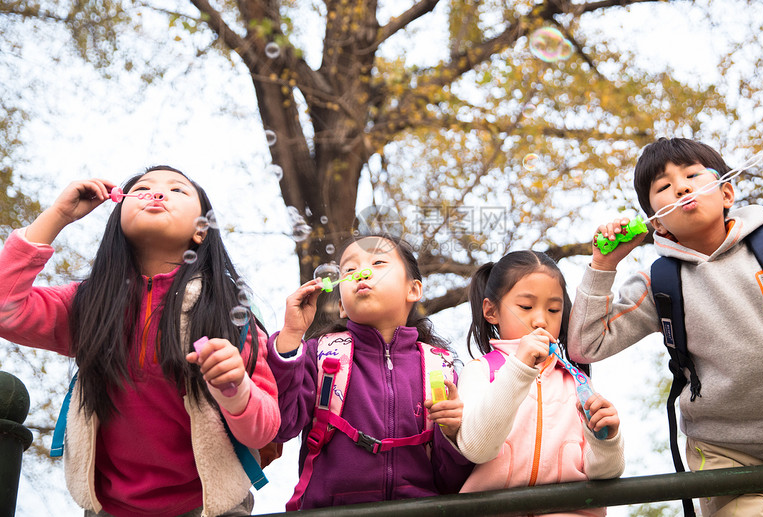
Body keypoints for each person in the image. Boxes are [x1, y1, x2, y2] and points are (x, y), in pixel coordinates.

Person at [569, 137, 763, 516]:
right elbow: (585, 345)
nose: (682, 187)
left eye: (692, 175)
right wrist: (603, 265)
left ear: (727, 193)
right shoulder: (657, 283)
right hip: (724, 460)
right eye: (663, 186)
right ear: (656, 222)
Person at [0, 166, 280, 517]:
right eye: (143, 188)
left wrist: (236, 388)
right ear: (118, 219)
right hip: (110, 510)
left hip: (209, 507)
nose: (157, 193)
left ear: (201, 231)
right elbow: (5, 309)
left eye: (178, 190)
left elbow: (264, 430)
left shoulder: (227, 311)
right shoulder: (89, 304)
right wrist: (57, 216)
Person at [267, 233, 473, 509]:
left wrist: (453, 433)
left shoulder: (439, 368)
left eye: (377, 262)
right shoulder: (320, 355)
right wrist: (292, 334)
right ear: (341, 305)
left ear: (413, 290)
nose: (360, 274)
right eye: (349, 270)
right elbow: (281, 425)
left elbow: (451, 481)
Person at [456, 250, 624, 516]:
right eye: (526, 307)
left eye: (553, 309)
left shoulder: (577, 383)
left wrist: (607, 439)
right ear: (491, 311)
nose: (540, 320)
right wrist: (520, 368)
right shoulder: (479, 372)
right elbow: (477, 448)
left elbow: (605, 473)